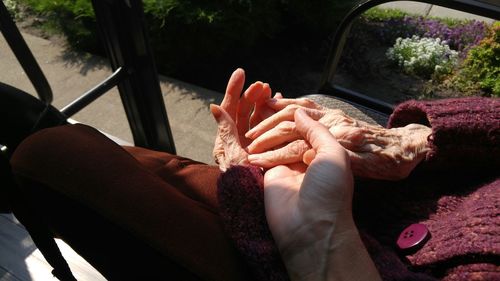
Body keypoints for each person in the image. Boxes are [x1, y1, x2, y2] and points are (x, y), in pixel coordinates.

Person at [10, 68, 499, 281]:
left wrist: (318, 241)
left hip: (325, 263)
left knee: (50, 154)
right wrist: (420, 142)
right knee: (298, 109)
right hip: (411, 193)